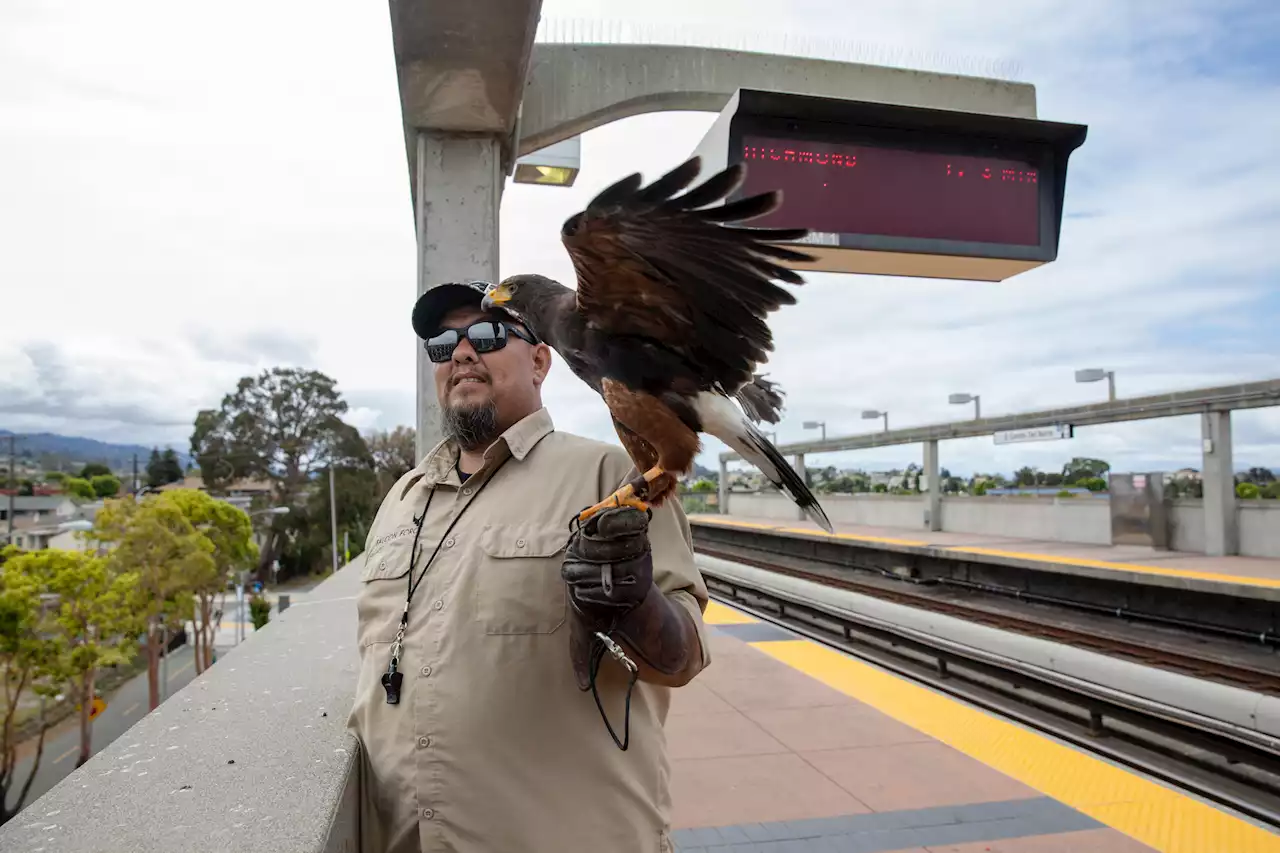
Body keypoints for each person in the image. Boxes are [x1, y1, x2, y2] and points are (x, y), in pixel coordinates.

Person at [346, 281, 712, 853]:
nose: (461, 352)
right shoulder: (401, 498)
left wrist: (635, 605)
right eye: (442, 345)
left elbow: (685, 656)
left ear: (541, 361)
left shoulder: (614, 476)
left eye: (487, 334)